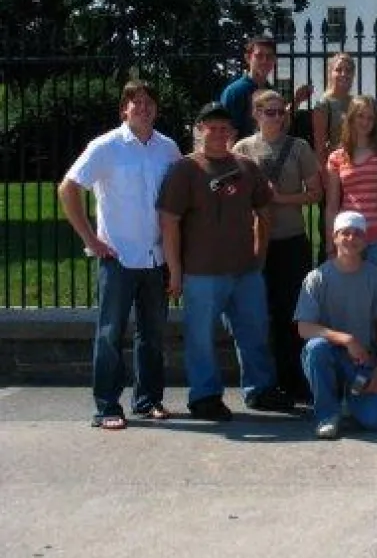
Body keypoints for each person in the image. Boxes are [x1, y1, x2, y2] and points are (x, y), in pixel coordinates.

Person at [157, 102, 293, 421]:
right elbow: (169, 220)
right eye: (211, 128)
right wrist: (175, 270)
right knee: (200, 338)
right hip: (201, 273)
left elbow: (264, 211)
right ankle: (204, 396)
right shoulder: (185, 169)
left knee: (255, 331)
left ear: (232, 133)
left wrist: (259, 256)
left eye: (224, 128)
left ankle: (261, 390)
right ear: (199, 130)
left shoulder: (246, 167)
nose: (218, 134)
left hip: (245, 272)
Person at [59, 80, 181, 430]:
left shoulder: (168, 149)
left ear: (156, 109)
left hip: (155, 257)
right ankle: (107, 406)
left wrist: (176, 260)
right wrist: (90, 239)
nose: (143, 108)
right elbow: (68, 188)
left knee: (153, 334)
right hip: (118, 257)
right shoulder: (105, 147)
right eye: (135, 102)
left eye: (149, 102)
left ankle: (148, 400)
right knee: (110, 333)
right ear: (123, 109)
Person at [232, 89, 322, 401]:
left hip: (292, 239)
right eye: (269, 112)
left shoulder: (299, 148)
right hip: (257, 242)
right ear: (256, 114)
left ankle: (295, 379)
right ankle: (263, 383)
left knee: (292, 313)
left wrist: (280, 198)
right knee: (259, 314)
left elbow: (315, 193)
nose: (277, 117)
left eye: (281, 111)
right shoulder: (242, 149)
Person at [294, 210, 377, 439]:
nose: (351, 238)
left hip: (361, 362)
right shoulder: (316, 278)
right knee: (315, 347)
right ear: (335, 237)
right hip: (328, 354)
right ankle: (327, 415)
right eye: (345, 233)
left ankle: (352, 399)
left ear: (365, 240)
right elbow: (304, 328)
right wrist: (346, 339)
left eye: (357, 233)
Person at [325, 96, 377, 274]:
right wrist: (329, 244)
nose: (365, 122)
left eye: (370, 117)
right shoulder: (337, 157)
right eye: (360, 116)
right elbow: (332, 205)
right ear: (351, 118)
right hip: (349, 234)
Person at [219, 35, 313, 141]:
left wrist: (296, 101)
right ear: (248, 58)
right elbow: (227, 133)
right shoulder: (235, 91)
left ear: (274, 60)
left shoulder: (271, 90)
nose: (265, 61)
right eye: (259, 56)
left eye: (269, 56)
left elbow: (281, 127)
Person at [311, 52, 355, 165]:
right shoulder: (323, 104)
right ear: (330, 73)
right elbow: (320, 147)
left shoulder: (355, 102)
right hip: (336, 165)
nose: (344, 74)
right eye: (338, 70)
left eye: (348, 70)